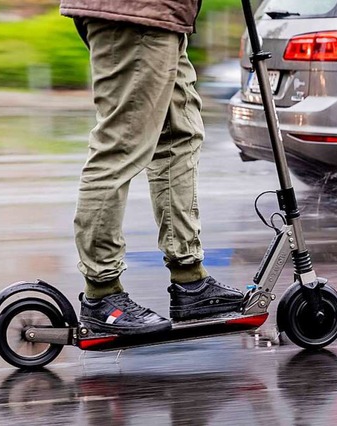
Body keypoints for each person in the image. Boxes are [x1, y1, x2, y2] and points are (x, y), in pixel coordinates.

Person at [59, 0, 244, 336]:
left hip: (165, 15)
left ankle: (190, 280)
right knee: (120, 146)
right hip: (136, 12)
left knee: (179, 136)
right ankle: (102, 293)